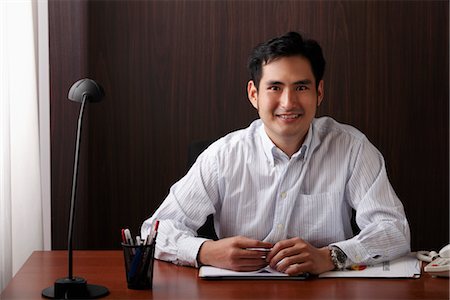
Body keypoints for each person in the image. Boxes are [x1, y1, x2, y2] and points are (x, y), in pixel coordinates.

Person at [141, 31, 410, 275]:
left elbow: (393, 230)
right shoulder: (222, 156)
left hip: (324, 288)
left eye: (301, 87)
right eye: (275, 87)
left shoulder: (352, 147)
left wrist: (331, 256)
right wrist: (205, 251)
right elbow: (154, 231)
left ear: (319, 92)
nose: (288, 102)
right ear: (254, 94)